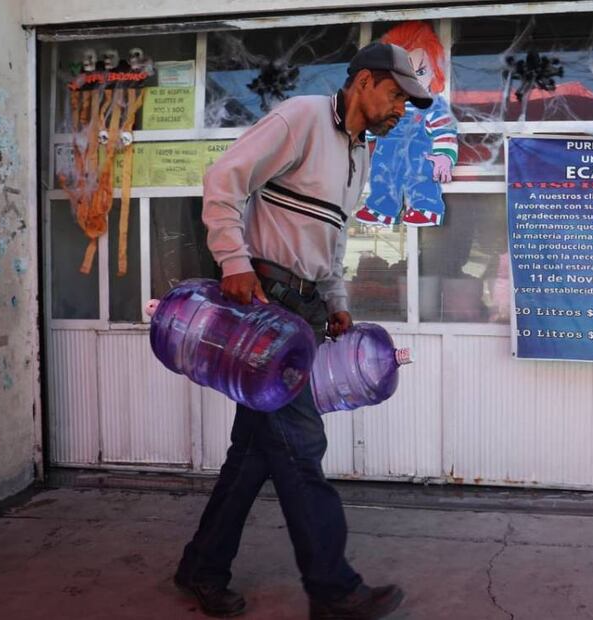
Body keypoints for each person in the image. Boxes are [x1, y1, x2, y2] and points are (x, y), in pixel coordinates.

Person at [173, 42, 433, 619]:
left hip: (306, 311)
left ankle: (201, 567)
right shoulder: (303, 117)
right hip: (264, 310)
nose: (400, 110)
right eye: (395, 95)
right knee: (300, 445)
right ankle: (333, 590)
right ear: (364, 82)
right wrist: (233, 261)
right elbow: (224, 178)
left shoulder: (359, 154)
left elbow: (334, 239)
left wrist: (336, 300)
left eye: (407, 103)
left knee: (254, 454)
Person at [354, 21, 457, 227]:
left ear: (434, 71)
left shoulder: (433, 104)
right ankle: (381, 210)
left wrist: (445, 156)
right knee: (381, 177)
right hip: (387, 154)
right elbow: (371, 129)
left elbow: (445, 131)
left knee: (422, 176)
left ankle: (427, 209)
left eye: (419, 72)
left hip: (419, 154)